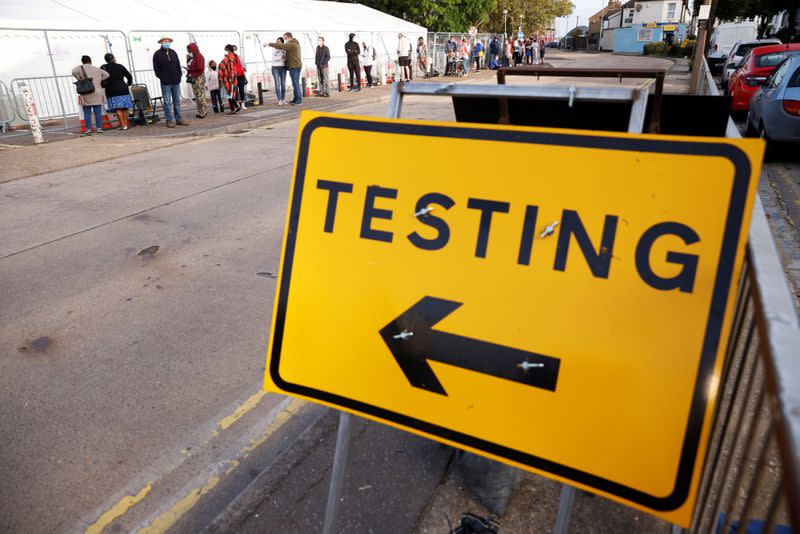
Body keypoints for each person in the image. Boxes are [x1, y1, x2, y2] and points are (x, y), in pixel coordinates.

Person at [152, 36, 186, 127]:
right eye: (165, 41)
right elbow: (156, 68)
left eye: (168, 41)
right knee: (167, 102)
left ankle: (178, 119)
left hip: (175, 81)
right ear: (161, 42)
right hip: (165, 82)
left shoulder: (173, 52)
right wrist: (162, 77)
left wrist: (179, 76)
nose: (167, 42)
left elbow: (178, 65)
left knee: (177, 102)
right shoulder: (157, 54)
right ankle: (169, 120)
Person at [72, 55, 109, 136]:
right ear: (90, 61)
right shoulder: (96, 68)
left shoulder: (79, 68)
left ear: (82, 61)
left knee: (87, 112)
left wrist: (80, 79)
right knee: (98, 112)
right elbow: (107, 74)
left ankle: (88, 129)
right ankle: (99, 129)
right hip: (97, 92)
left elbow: (73, 71)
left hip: (86, 92)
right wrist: (99, 79)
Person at [100, 53, 132, 131]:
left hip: (112, 90)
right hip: (123, 89)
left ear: (106, 60)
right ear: (114, 58)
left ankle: (123, 126)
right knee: (124, 108)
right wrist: (128, 84)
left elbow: (101, 79)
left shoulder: (103, 67)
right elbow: (129, 76)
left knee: (118, 109)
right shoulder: (120, 66)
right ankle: (125, 125)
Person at [268, 33, 302, 105]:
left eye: (285, 38)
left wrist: (269, 44)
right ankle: (296, 99)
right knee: (294, 83)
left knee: (295, 84)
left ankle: (299, 100)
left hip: (294, 67)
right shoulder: (294, 43)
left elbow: (282, 46)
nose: (285, 40)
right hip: (294, 66)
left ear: (288, 37)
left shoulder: (291, 44)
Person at [186, 42, 207, 118]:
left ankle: (203, 112)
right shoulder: (194, 57)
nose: (188, 52)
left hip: (199, 78)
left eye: (189, 50)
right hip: (194, 78)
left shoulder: (199, 56)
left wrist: (190, 69)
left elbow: (200, 67)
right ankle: (200, 111)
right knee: (197, 96)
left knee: (200, 96)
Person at [219, 45, 241, 114]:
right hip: (231, 78)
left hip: (229, 78)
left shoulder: (230, 57)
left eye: (225, 49)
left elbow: (231, 68)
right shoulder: (231, 57)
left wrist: (231, 78)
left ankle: (234, 108)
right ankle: (236, 107)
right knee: (230, 94)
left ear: (228, 50)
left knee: (229, 94)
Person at [271, 37, 287, 106]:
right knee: (277, 84)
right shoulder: (274, 49)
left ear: (282, 42)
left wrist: (281, 59)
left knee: (283, 84)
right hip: (275, 68)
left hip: (283, 68)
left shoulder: (284, 49)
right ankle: (279, 100)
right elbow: (274, 58)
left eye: (279, 42)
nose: (278, 43)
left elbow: (285, 58)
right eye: (277, 41)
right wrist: (281, 58)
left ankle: (283, 99)